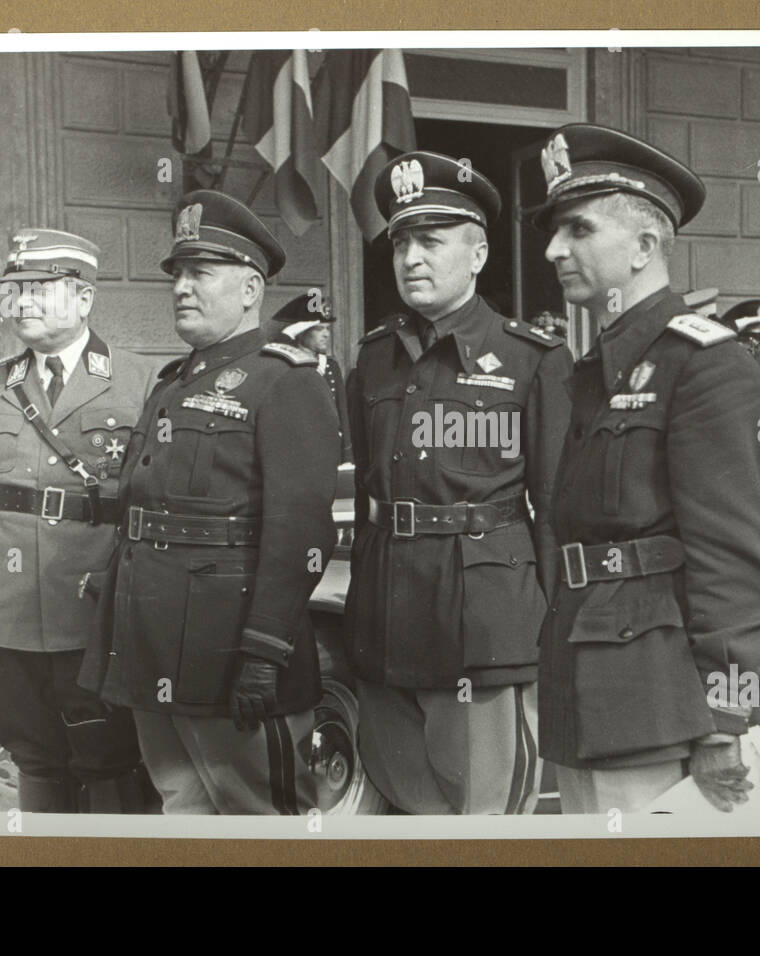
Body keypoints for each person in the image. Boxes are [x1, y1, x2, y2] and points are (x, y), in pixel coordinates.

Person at [529, 124, 760, 814]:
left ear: (645, 246)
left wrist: (726, 716)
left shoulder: (703, 363)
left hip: (661, 704)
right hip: (585, 683)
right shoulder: (595, 368)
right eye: (556, 231)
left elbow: (732, 551)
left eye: (578, 229)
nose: (555, 250)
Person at [78, 190, 340, 814]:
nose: (181, 289)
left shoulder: (286, 380)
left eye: (202, 273)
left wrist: (263, 653)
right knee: (183, 807)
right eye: (178, 274)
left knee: (260, 816)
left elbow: (300, 533)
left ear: (251, 289)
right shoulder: (172, 382)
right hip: (154, 645)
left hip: (231, 653)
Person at [344, 151, 573, 814]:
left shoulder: (532, 359)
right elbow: (368, 493)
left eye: (432, 242)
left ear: (476, 255)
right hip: (387, 616)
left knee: (481, 812)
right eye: (402, 242)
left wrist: (553, 629)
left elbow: (555, 508)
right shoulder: (375, 355)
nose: (412, 258)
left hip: (482, 622)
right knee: (403, 797)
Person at [0, 228, 160, 812]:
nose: (23, 302)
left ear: (84, 298)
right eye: (16, 290)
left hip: (94, 610)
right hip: (3, 616)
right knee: (30, 754)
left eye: (41, 288)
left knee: (109, 757)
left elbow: (154, 508)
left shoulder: (140, 381)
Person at [270, 290, 351, 463]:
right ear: (302, 331)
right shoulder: (286, 362)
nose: (326, 334)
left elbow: (342, 413)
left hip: (329, 450)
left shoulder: (330, 366)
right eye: (319, 329)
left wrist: (347, 456)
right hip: (295, 450)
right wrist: (288, 333)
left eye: (328, 329)